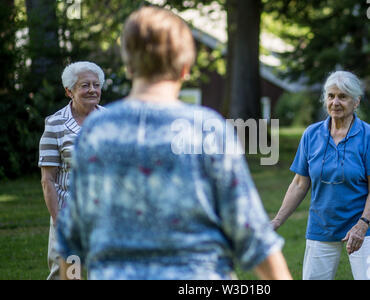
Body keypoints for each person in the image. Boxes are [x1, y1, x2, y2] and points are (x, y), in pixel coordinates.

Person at [56, 6, 292, 280]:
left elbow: (71, 240)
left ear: (129, 66)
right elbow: (252, 234)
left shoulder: (94, 132)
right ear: (185, 69)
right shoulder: (207, 128)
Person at [271, 71, 370, 280]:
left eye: (343, 96)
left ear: (356, 101)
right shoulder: (311, 134)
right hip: (321, 225)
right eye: (331, 96)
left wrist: (362, 224)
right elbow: (299, 184)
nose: (335, 102)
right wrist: (276, 222)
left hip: (363, 226)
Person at [38, 61, 106, 280]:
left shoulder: (111, 121)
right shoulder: (56, 124)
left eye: (96, 84)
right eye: (85, 85)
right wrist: (59, 222)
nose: (92, 90)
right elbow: (47, 179)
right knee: (69, 276)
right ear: (69, 91)